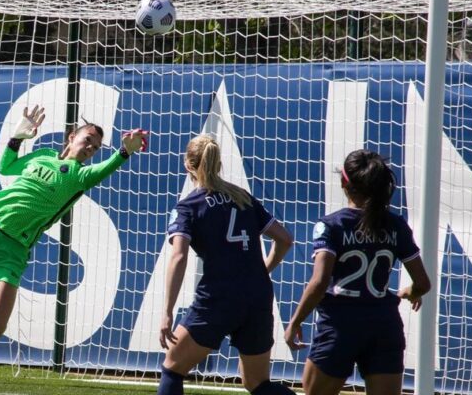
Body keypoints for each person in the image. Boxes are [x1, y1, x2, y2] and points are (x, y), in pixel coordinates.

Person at [0, 105, 148, 394]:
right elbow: (6, 166)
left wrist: (124, 151)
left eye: (96, 148)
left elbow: (106, 167)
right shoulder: (43, 155)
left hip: (14, 250)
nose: (90, 149)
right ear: (72, 137)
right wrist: (17, 137)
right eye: (87, 140)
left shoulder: (80, 176)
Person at [284, 149, 432, 395]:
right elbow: (423, 284)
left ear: (344, 183)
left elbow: (320, 282)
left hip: (339, 327)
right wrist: (411, 291)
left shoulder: (331, 225)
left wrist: (295, 321)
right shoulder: (396, 225)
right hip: (384, 327)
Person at [158, 134, 295, 395]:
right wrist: (262, 271)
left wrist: (167, 310)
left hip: (218, 297)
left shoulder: (189, 207)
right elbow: (285, 239)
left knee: (173, 368)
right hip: (257, 295)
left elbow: (179, 256)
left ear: (188, 165)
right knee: (257, 383)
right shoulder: (242, 197)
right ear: (218, 163)